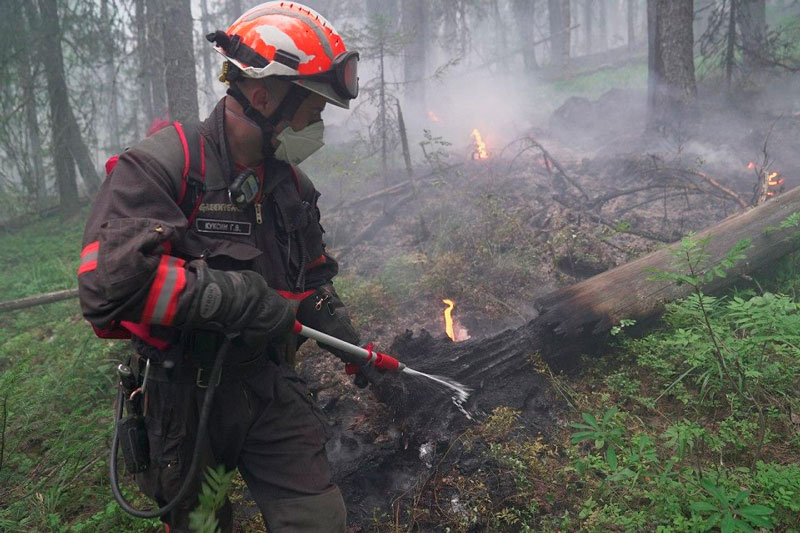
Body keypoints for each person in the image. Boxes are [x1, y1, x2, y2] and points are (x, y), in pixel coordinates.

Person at [77, 3, 363, 531]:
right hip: (183, 397)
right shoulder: (164, 164)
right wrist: (232, 296)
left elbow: (312, 283)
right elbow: (107, 288)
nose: (318, 125)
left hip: (269, 386)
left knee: (319, 518)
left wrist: (348, 341)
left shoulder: (292, 188)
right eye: (314, 109)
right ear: (264, 97)